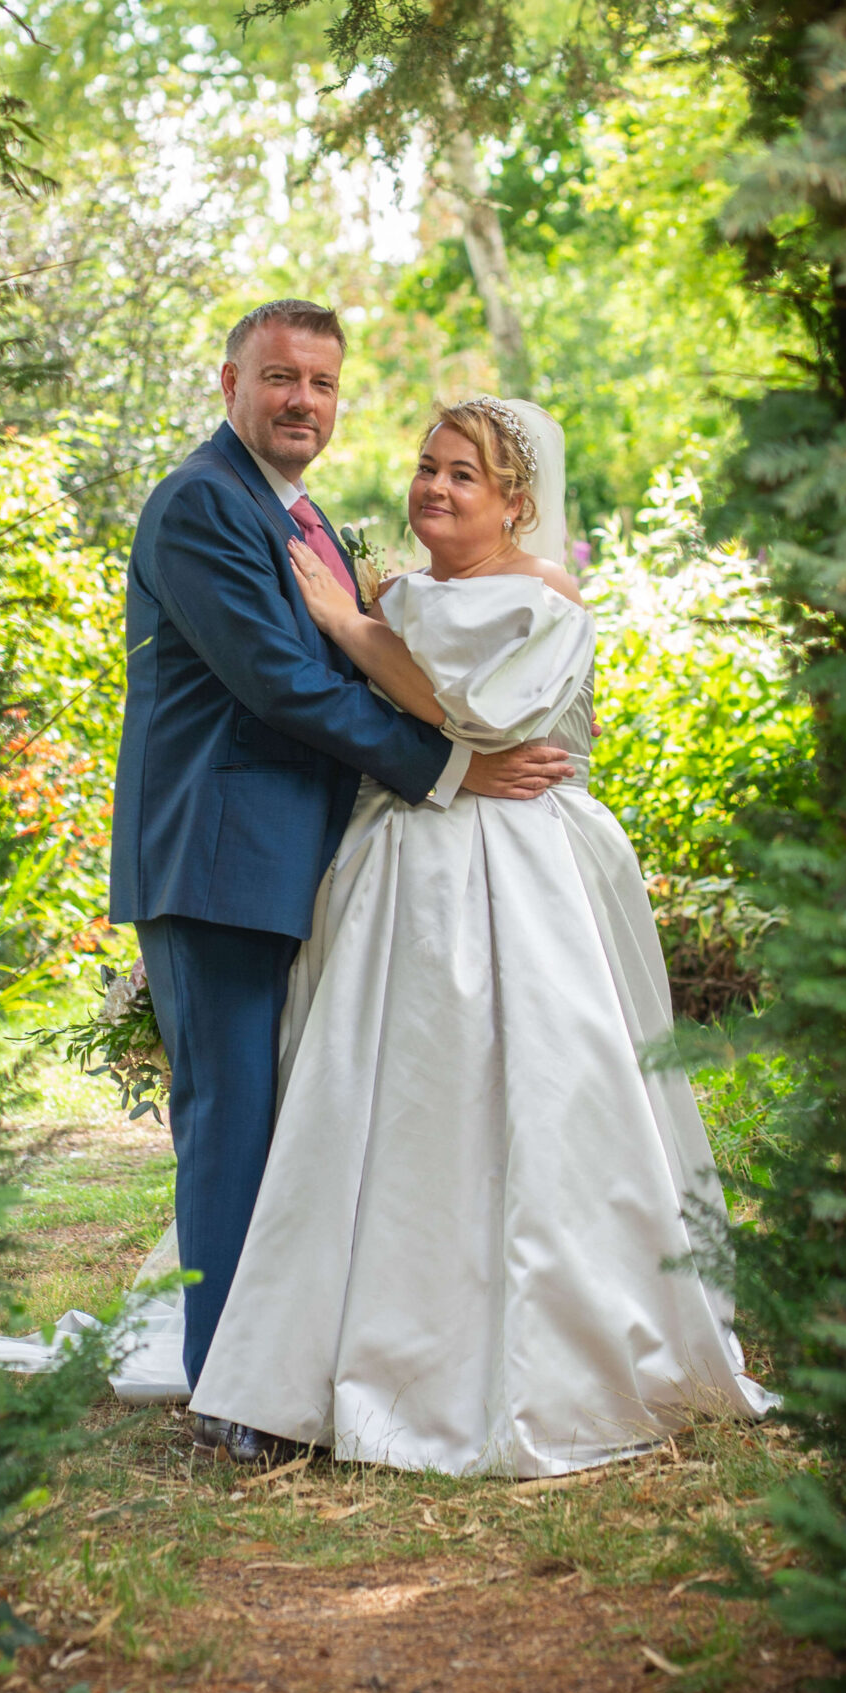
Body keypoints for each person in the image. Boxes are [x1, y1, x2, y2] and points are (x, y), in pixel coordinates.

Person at [188, 397, 774, 1476]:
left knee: (539, 1089)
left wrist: (353, 629)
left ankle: (555, 1345)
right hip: (396, 866)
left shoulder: (542, 597)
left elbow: (473, 714)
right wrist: (370, 617)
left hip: (519, 871)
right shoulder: (403, 590)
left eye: (465, 474)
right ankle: (348, 1337)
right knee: (377, 1101)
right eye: (425, 466)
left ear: (517, 500)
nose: (435, 488)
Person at [108, 307, 575, 1465]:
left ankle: (269, 1365)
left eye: (320, 382)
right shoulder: (205, 504)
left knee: (284, 1128)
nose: (301, 401)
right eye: (278, 378)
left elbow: (370, 651)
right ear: (230, 381)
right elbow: (279, 684)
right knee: (227, 1121)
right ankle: (228, 1393)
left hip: (294, 862)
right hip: (216, 862)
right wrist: (453, 768)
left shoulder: (298, 513)